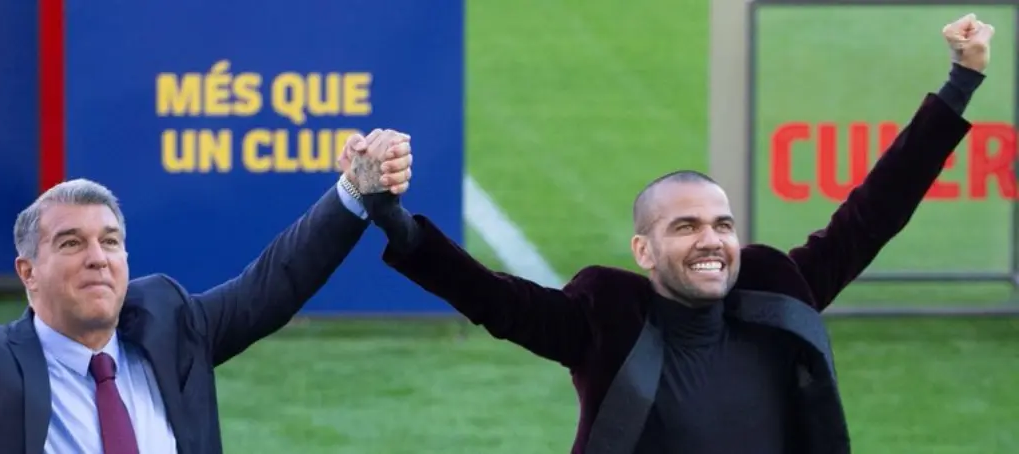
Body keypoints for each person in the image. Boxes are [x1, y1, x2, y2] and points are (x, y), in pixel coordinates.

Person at [359, 13, 993, 454]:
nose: (711, 240)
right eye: (685, 226)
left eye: (722, 225)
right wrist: (389, 213)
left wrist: (960, 82)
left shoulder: (778, 295)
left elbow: (873, 212)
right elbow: (490, 297)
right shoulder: (602, 324)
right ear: (644, 250)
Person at [0, 128, 414, 454]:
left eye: (110, 241)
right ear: (28, 273)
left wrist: (353, 190)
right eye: (71, 243)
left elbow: (275, 282)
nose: (97, 257)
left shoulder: (172, 328)